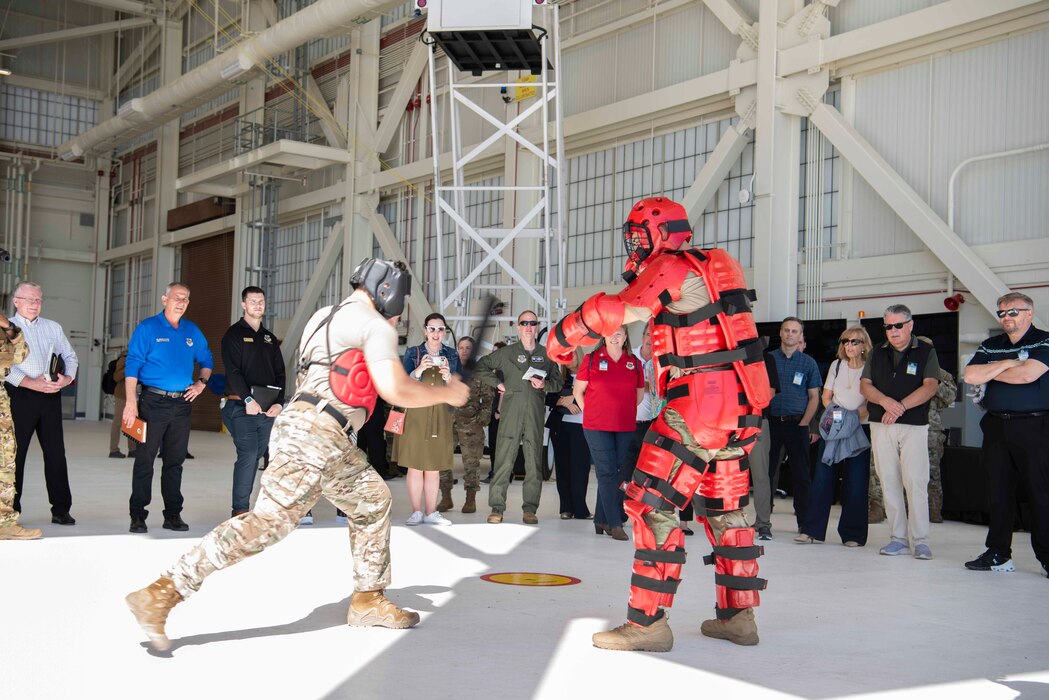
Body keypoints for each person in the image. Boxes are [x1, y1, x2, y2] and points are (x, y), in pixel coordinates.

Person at [125, 258, 470, 651]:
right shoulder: (371, 324)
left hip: (325, 432)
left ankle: (368, 598)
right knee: (267, 525)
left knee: (373, 501)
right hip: (315, 433)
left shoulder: (325, 314)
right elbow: (394, 389)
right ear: (387, 292)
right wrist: (447, 392)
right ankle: (163, 590)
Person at [548, 196, 771, 651]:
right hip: (743, 408)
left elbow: (615, 311)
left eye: (637, 234)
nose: (632, 244)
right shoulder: (721, 263)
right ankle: (738, 617)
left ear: (659, 233)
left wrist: (561, 338)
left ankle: (647, 624)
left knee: (651, 505)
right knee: (729, 512)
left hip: (699, 406)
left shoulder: (671, 266)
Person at [963, 292, 1048, 576]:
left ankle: (1047, 556)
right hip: (997, 425)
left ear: (1028, 314)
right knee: (997, 492)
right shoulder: (991, 345)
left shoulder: (1044, 341)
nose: (1006, 318)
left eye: (1013, 312)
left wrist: (992, 370)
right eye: (1002, 313)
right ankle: (999, 553)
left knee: (1041, 493)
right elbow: (971, 375)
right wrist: (1011, 363)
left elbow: (1028, 375)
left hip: (1035, 427)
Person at [123, 283, 214, 534]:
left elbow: (207, 359)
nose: (181, 302)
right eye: (176, 297)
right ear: (165, 299)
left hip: (182, 404)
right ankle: (138, 515)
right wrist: (131, 403)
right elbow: (132, 367)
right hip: (152, 403)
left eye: (185, 298)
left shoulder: (191, 331)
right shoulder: (148, 328)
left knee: (175, 462)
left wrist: (201, 384)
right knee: (145, 460)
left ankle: (173, 515)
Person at [860, 304, 939, 560]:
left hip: (914, 424)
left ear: (910, 325)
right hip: (881, 424)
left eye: (898, 325)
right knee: (889, 479)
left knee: (915, 481)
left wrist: (900, 406)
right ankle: (898, 538)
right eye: (888, 326)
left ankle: (921, 540)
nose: (892, 331)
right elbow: (865, 385)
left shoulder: (926, 351)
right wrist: (885, 402)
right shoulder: (876, 353)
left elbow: (929, 387)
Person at [475, 310, 564, 525]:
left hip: (534, 412)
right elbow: (481, 366)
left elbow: (558, 383)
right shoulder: (507, 353)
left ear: (537, 326)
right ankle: (497, 507)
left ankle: (530, 509)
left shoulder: (547, 354)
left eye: (532, 323)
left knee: (534, 461)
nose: (528, 327)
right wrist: (498, 384)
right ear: (518, 327)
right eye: (524, 323)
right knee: (504, 459)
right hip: (511, 412)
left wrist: (545, 385)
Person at [6, 282, 79, 526]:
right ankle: (10, 511)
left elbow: (70, 356)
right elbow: (3, 366)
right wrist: (29, 382)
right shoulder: (6, 327)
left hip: (50, 395)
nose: (34, 304)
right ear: (16, 301)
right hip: (19, 396)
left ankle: (61, 509)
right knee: (15, 455)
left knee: (56, 453)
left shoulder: (52, 327)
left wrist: (66, 378)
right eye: (29, 299)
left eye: (38, 300)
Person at [796, 326, 872, 546]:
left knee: (856, 481)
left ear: (864, 345)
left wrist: (852, 418)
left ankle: (853, 535)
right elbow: (826, 397)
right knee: (822, 478)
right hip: (834, 427)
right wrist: (838, 415)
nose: (849, 345)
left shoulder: (870, 368)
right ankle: (811, 530)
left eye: (854, 342)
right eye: (846, 341)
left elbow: (869, 402)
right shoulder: (836, 366)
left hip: (860, 428)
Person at [220, 286, 286, 517]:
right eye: (253, 301)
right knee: (248, 454)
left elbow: (280, 372)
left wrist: (279, 402)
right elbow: (233, 371)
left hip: (267, 411)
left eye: (261, 301)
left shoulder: (269, 338)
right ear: (243, 305)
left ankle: (260, 506)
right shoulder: (233, 335)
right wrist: (248, 399)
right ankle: (240, 510)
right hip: (240, 407)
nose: (258, 305)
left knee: (260, 455)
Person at [573, 326, 643, 541]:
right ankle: (615, 523)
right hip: (596, 426)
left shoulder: (634, 362)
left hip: (624, 425)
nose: (615, 336)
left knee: (619, 472)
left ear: (625, 337)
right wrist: (590, 412)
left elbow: (638, 395)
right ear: (603, 335)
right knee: (606, 472)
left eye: (620, 333)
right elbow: (578, 391)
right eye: (611, 332)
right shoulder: (592, 359)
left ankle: (600, 519)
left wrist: (622, 408)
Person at [396, 313, 461, 526]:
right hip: (416, 413)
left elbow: (460, 387)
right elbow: (401, 382)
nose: (436, 333)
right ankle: (416, 511)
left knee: (434, 465)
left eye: (440, 329)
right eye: (432, 329)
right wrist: (418, 370)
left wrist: (449, 377)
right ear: (425, 330)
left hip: (441, 413)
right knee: (415, 465)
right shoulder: (414, 352)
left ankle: (431, 511)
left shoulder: (451, 355)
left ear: (445, 332)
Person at [764, 317, 820, 533]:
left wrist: (804, 424)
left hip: (798, 424)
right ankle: (763, 521)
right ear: (781, 332)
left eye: (794, 331)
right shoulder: (768, 359)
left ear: (800, 336)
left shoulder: (808, 363)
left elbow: (814, 397)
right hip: (771, 425)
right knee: (766, 474)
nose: (790, 334)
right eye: (786, 330)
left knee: (801, 475)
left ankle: (804, 524)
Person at [0, 312, 38, 540]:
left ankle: (4, 523)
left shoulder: (6, 331)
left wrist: (8, 326)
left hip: (1, 405)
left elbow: (21, 355)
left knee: (4, 462)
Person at [447, 335, 495, 514]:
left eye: (468, 348)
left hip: (471, 424)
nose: (464, 351)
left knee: (471, 463)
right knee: (444, 460)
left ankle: (470, 499)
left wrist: (482, 420)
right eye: (461, 347)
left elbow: (488, 398)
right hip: (449, 422)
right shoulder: (450, 370)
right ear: (457, 349)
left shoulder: (480, 372)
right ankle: (445, 496)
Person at [547, 348, 592, 520]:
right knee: (563, 467)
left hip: (583, 427)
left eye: (570, 355)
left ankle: (581, 509)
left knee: (580, 468)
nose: (568, 359)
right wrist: (561, 400)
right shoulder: (559, 377)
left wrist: (574, 397)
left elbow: (597, 396)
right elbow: (547, 398)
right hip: (561, 427)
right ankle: (565, 508)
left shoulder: (590, 377)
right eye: (564, 356)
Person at [749, 349, 779, 540]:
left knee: (760, 475)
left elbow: (770, 393)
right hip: (730, 422)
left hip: (757, 421)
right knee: (729, 476)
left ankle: (763, 524)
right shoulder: (727, 354)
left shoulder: (765, 358)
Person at [925, 365, 956, 523]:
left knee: (932, 471)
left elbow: (950, 397)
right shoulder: (903, 367)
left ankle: (933, 510)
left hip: (932, 428)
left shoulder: (941, 374)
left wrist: (934, 381)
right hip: (906, 425)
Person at [108, 352, 135, 459]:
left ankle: (133, 450)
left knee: (133, 422)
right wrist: (129, 367)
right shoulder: (124, 359)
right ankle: (113, 450)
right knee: (118, 422)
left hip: (134, 395)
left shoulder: (141, 357)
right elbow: (116, 377)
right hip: (122, 395)